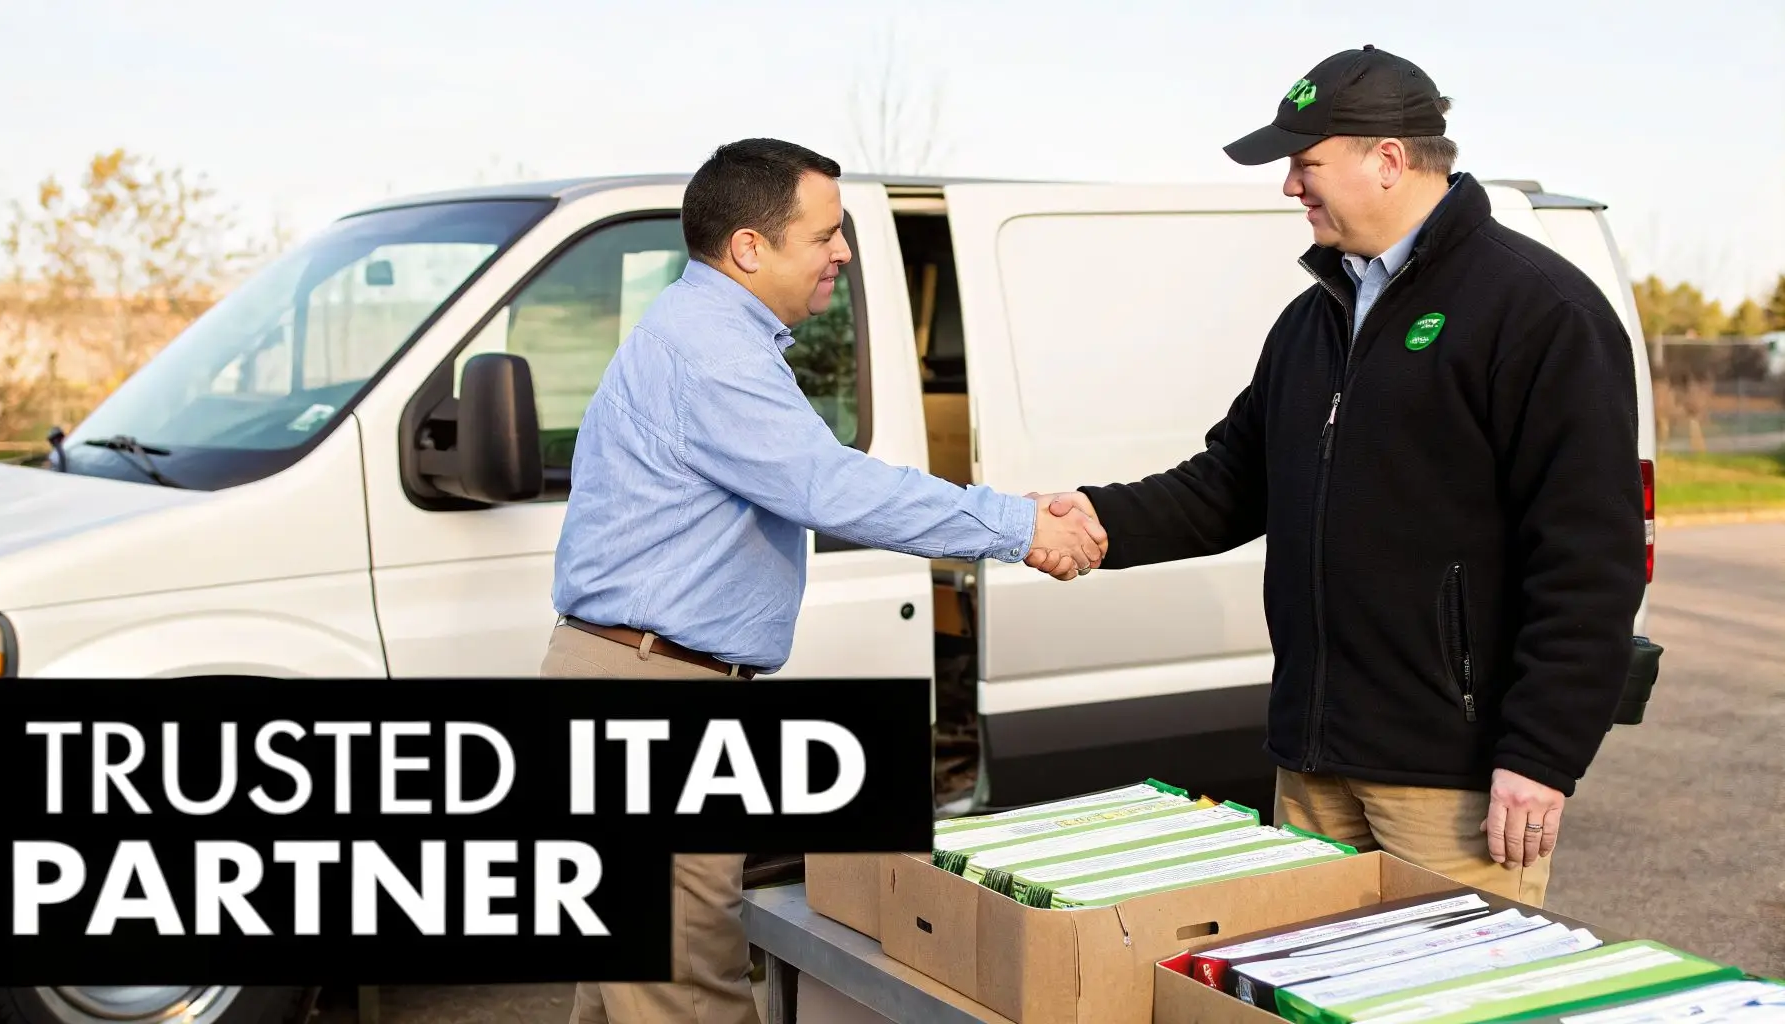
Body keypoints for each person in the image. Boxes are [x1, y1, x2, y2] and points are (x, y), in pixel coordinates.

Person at [1031, 46, 1645, 908]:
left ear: (1387, 160)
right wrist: (1089, 519)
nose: (1290, 186)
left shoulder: (1541, 311)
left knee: (1437, 1001)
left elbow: (1590, 560)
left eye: (1305, 161)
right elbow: (1230, 484)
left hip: (1451, 780)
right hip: (1312, 765)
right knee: (1296, 991)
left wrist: (1540, 756)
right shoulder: (1315, 318)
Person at [540, 137, 1106, 1024]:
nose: (842, 252)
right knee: (689, 991)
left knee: (625, 994)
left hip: (634, 682)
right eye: (825, 235)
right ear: (749, 248)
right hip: (647, 696)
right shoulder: (709, 350)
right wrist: (1020, 527)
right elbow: (829, 485)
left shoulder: (702, 336)